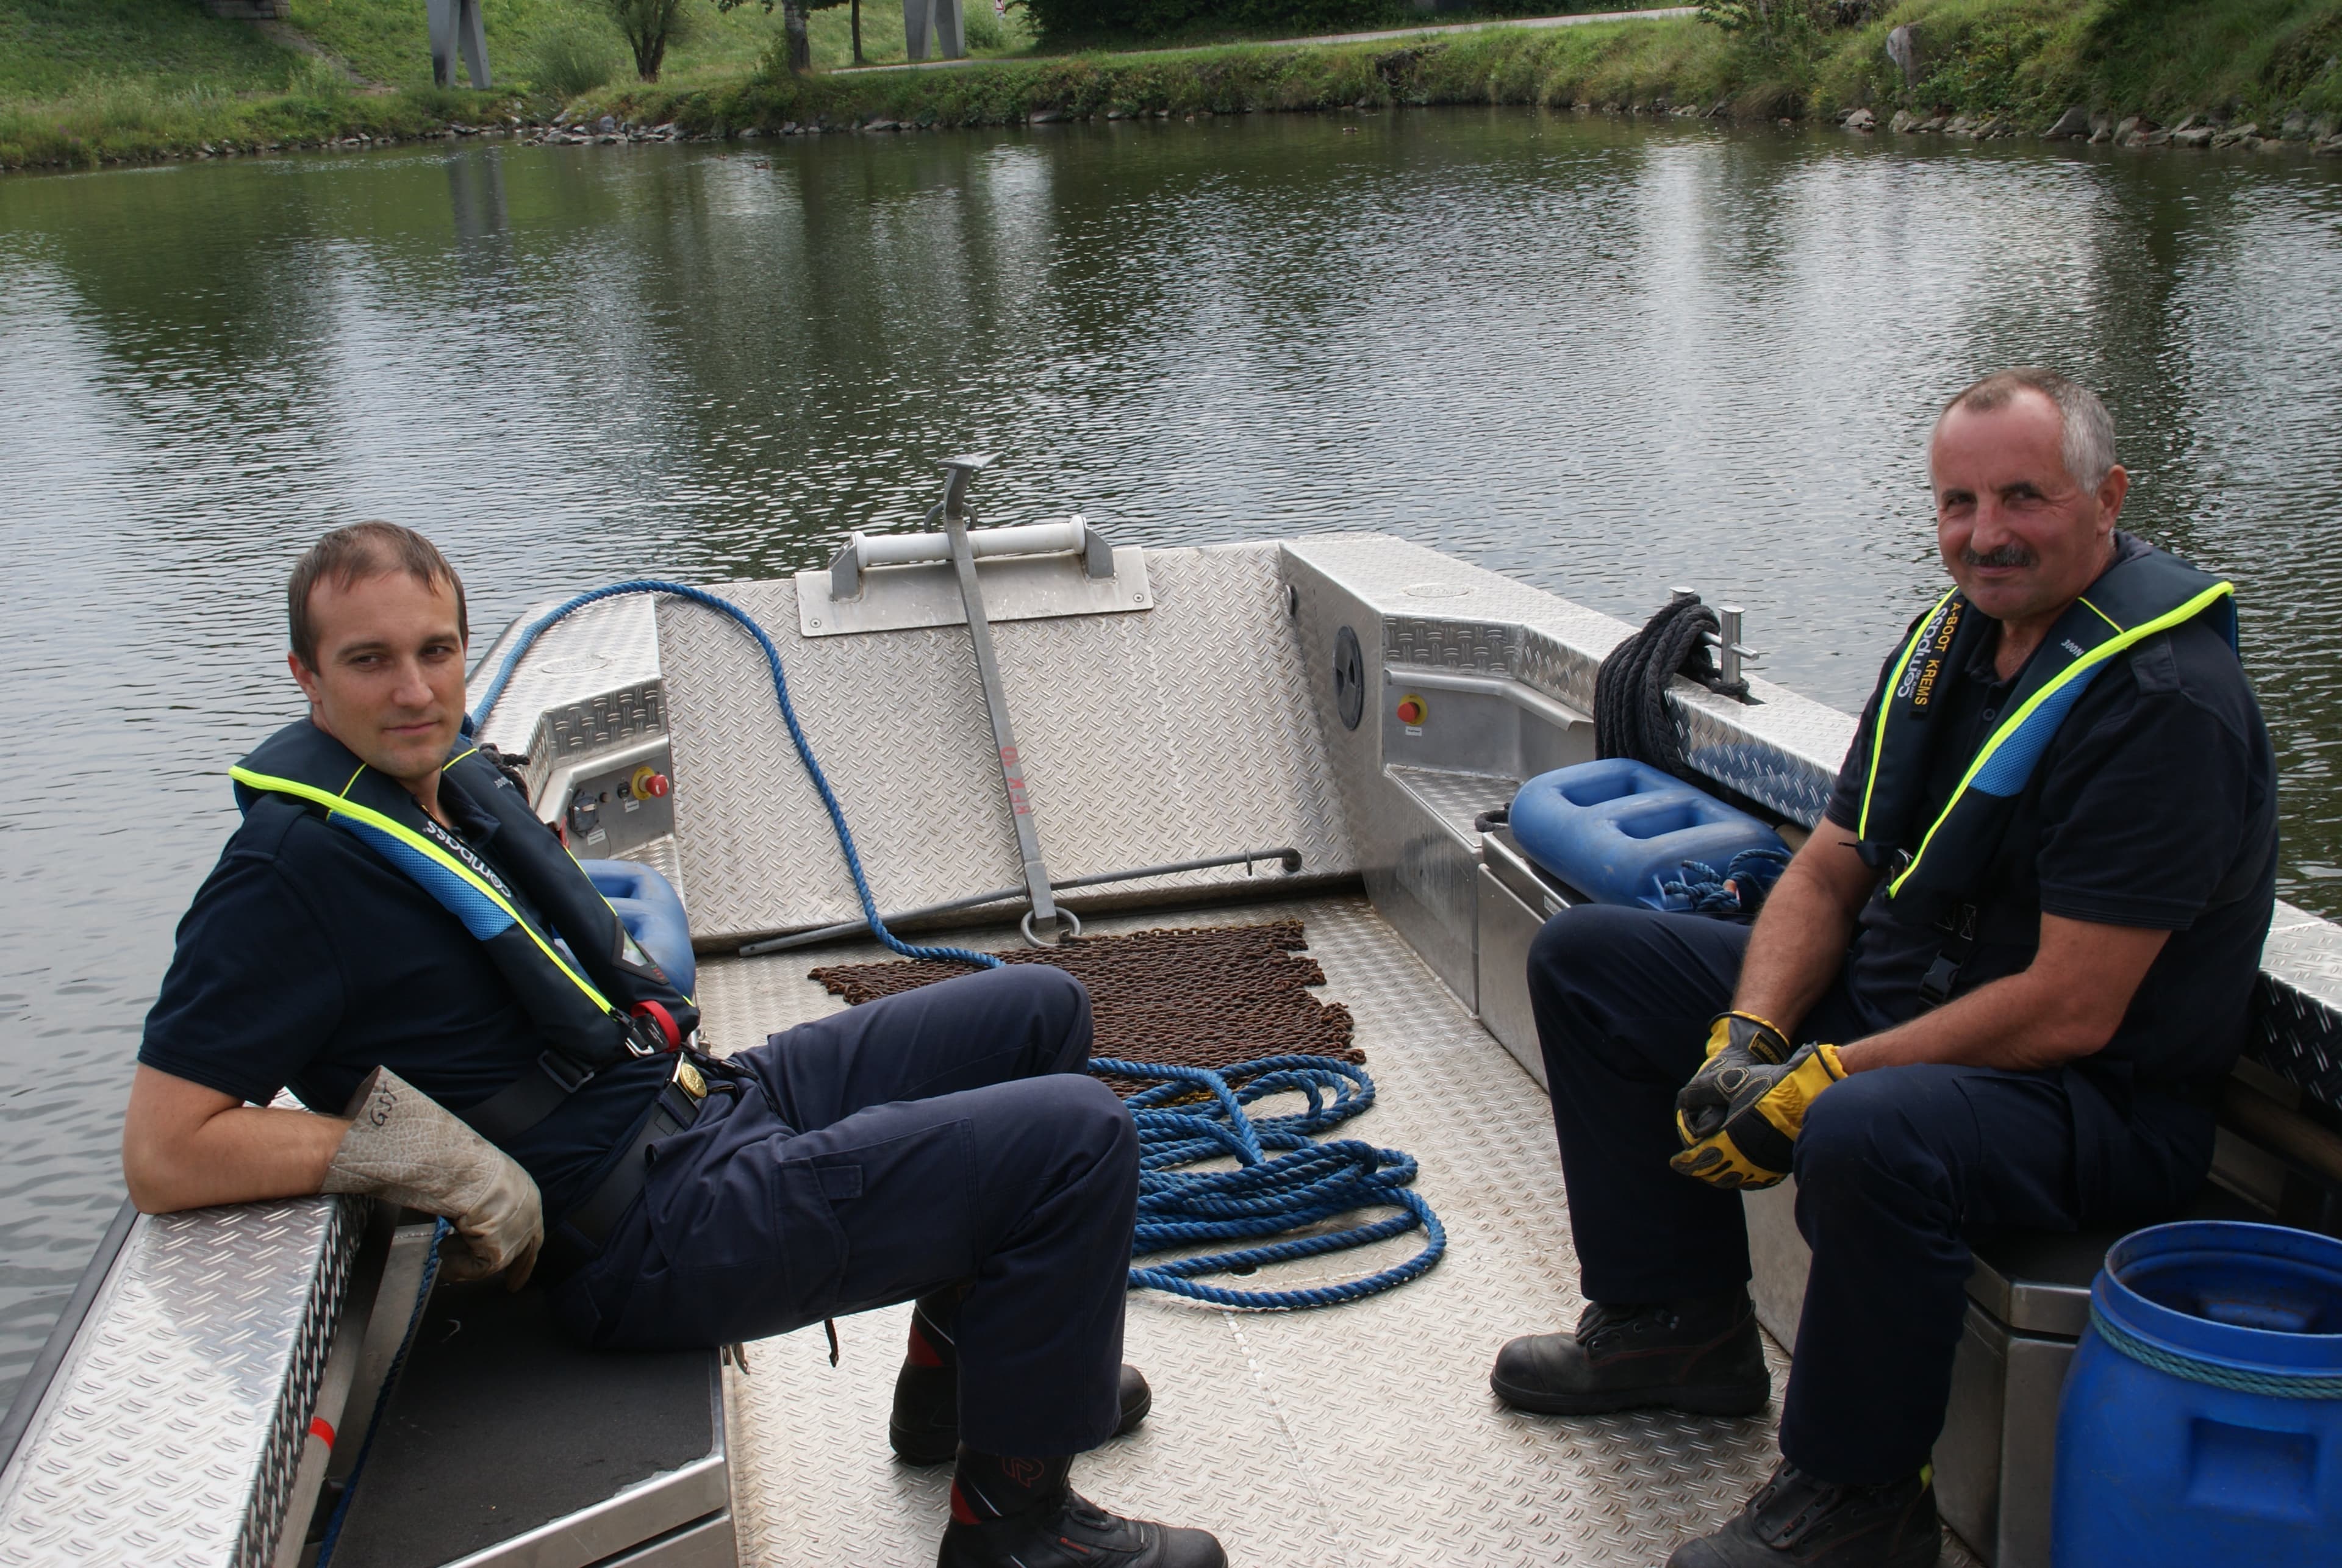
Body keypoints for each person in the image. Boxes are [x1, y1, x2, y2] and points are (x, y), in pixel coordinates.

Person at [120, 521, 1226, 1568]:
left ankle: (960, 1393)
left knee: (1038, 1010)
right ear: (305, 677)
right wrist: (406, 1159)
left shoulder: (441, 789)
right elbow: (168, 1150)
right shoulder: (281, 879)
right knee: (1078, 1136)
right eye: (369, 661)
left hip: (708, 1104)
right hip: (644, 1233)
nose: (413, 690)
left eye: (435, 650)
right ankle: (1018, 1532)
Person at [1492, 369, 2277, 1568]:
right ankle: (1676, 1330)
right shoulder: (1950, 642)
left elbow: (2074, 1004)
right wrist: (1750, 1034)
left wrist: (1825, 1075)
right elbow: (1831, 863)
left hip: (2099, 1099)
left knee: (1865, 1127)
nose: (1985, 534)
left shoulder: (2166, 704)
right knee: (1594, 959)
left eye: (2024, 496)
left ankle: (1861, 1502)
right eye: (1958, 503)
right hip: (1916, 1011)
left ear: (2108, 496)